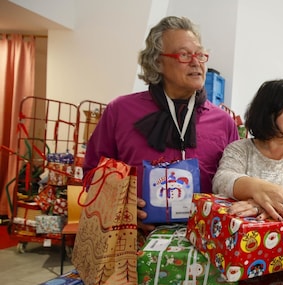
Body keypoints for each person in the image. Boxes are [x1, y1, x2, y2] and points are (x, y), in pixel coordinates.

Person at [83, 16, 240, 232]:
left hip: (205, 246)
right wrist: (121, 209)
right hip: (134, 244)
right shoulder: (120, 111)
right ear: (157, 62)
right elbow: (92, 174)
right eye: (184, 55)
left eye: (200, 55)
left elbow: (235, 183)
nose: (196, 62)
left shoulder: (223, 122)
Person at [212, 79, 283, 225]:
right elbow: (221, 180)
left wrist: (274, 203)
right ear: (268, 111)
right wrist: (260, 190)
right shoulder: (240, 149)